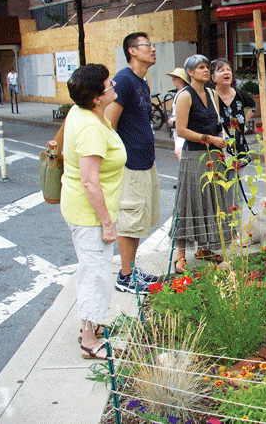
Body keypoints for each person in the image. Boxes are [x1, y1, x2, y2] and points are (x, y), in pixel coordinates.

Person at [61, 64, 127, 359]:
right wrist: (107, 224)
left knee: (93, 270)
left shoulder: (84, 113)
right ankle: (89, 339)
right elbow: (89, 180)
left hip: (84, 210)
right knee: (94, 274)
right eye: (107, 82)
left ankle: (93, 325)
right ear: (97, 98)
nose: (113, 83)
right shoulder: (89, 127)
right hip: (89, 216)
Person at [105, 32, 160, 294]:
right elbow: (109, 123)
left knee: (138, 221)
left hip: (145, 161)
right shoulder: (124, 81)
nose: (153, 49)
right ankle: (126, 277)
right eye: (147, 45)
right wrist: (120, 159)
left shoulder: (142, 81)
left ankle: (130, 268)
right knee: (129, 221)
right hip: (130, 164)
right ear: (132, 51)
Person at [170, 54, 233, 273]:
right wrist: (210, 139)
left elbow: (217, 123)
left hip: (214, 156)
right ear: (190, 72)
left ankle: (204, 248)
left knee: (213, 201)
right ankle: (180, 255)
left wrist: (224, 138)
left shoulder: (212, 93)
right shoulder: (184, 96)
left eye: (207, 67)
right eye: (200, 67)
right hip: (194, 155)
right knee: (189, 202)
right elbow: (181, 130)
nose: (205, 70)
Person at [210, 58, 256, 224]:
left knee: (236, 192)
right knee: (218, 191)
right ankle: (220, 229)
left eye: (228, 69)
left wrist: (244, 122)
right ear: (213, 77)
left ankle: (235, 229)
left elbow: (254, 106)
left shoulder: (240, 95)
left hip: (239, 149)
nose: (226, 72)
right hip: (217, 150)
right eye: (221, 70)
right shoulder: (210, 97)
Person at [166, 67, 190, 161]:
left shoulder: (185, 92)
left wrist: (175, 120)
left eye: (174, 78)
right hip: (177, 128)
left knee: (179, 151)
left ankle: (185, 171)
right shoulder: (179, 92)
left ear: (181, 79)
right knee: (181, 151)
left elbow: (186, 111)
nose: (172, 80)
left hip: (182, 127)